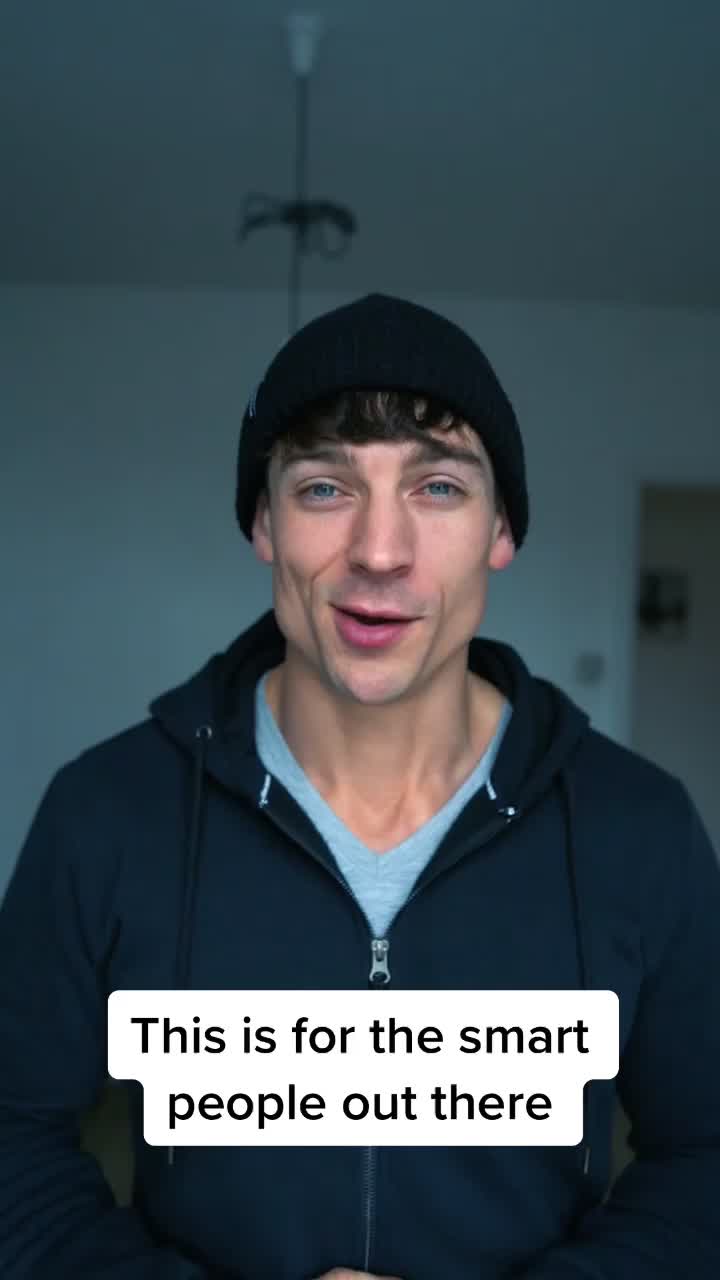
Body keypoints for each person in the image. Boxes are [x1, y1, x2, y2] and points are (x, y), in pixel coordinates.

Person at [1, 292, 719, 1280]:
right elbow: (14, 1139)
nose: (380, 551)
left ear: (503, 528)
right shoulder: (105, 813)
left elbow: (705, 1160)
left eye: (439, 487)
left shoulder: (639, 828)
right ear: (264, 522)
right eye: (325, 488)